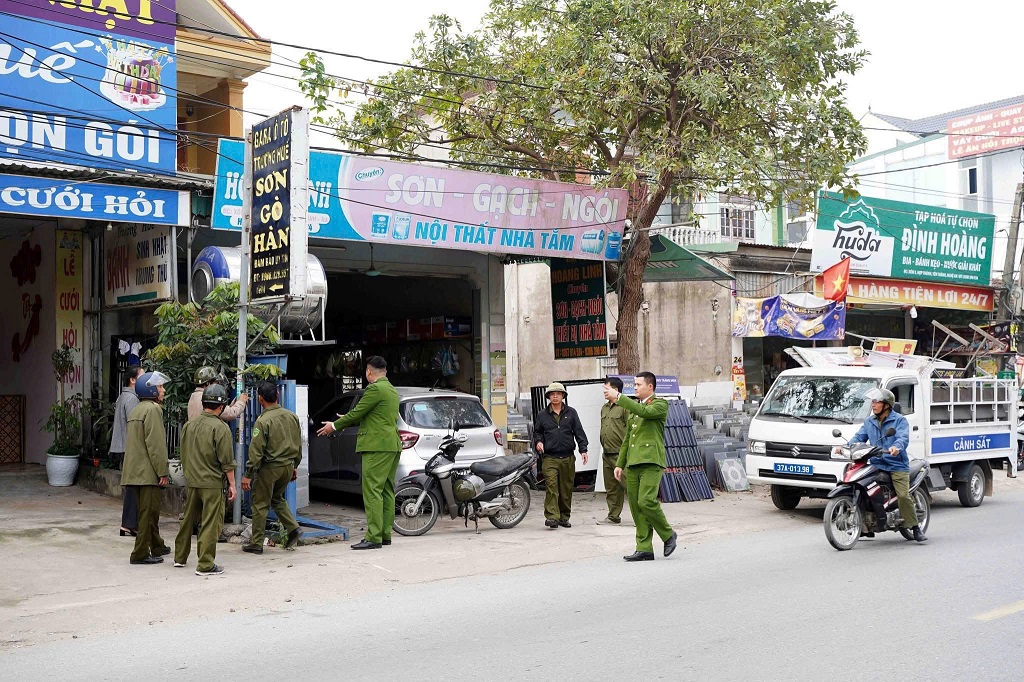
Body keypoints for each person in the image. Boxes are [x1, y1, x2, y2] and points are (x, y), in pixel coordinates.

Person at [317, 356, 401, 550]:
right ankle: (384, 534)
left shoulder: (374, 388)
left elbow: (357, 413)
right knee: (387, 490)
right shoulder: (390, 389)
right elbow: (371, 413)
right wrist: (348, 417)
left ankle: (373, 537)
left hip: (376, 446)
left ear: (369, 372)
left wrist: (334, 426)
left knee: (372, 490)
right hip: (391, 444)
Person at [606, 372, 678, 562]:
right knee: (636, 507)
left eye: (638, 384)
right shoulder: (635, 409)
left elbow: (646, 413)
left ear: (650, 387)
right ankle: (644, 547)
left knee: (646, 501)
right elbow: (627, 439)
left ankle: (668, 534)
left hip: (651, 462)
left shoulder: (660, 404)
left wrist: (619, 398)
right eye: (634, 384)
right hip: (633, 463)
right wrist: (620, 464)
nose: (635, 387)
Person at [173, 384, 237, 576]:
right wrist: (232, 485)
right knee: (210, 523)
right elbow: (226, 461)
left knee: (188, 520)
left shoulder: (189, 425)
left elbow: (183, 453)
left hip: (192, 481)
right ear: (222, 406)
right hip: (212, 484)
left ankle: (179, 558)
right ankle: (205, 564)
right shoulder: (221, 428)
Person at [848, 387, 925, 542]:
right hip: (876, 463)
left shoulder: (899, 420)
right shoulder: (869, 422)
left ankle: (915, 527)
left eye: (877, 402)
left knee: (903, 495)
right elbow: (858, 438)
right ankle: (867, 523)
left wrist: (896, 447)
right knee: (863, 487)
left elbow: (903, 437)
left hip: (897, 465)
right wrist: (845, 447)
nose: (873, 404)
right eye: (873, 402)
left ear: (887, 405)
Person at [241, 382, 303, 554]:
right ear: (277, 395)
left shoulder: (263, 421)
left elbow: (256, 452)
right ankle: (294, 528)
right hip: (287, 467)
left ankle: (257, 543)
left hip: (270, 468)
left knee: (260, 504)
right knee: (276, 499)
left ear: (260, 399)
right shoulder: (292, 416)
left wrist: (248, 474)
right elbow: (299, 443)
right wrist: (294, 466)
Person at [121, 371, 172, 565]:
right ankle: (140, 553)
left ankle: (157, 545)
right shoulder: (153, 410)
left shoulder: (138, 409)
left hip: (134, 470)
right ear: (150, 390)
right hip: (147, 472)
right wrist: (163, 471)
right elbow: (156, 445)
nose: (163, 390)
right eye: (160, 387)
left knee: (147, 512)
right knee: (148, 514)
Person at [533, 382, 589, 529]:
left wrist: (583, 450)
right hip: (549, 457)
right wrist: (538, 442)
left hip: (567, 457)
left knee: (566, 489)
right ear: (548, 397)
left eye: (558, 393)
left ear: (563, 396)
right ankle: (552, 517)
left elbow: (579, 432)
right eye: (552, 394)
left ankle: (564, 517)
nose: (555, 396)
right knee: (551, 486)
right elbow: (537, 432)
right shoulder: (542, 415)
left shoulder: (571, 413)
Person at [111, 366, 143, 536]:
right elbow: (135, 425)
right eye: (142, 377)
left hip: (125, 446)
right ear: (133, 380)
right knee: (134, 486)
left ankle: (128, 524)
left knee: (132, 486)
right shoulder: (131, 399)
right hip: (131, 446)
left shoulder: (124, 396)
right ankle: (130, 524)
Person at [599, 377, 629, 525]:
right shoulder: (604, 408)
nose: (604, 391)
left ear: (616, 390)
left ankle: (643, 517)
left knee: (630, 486)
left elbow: (631, 430)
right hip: (606, 453)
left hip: (621, 454)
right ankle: (613, 516)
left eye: (606, 388)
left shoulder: (625, 406)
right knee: (611, 488)